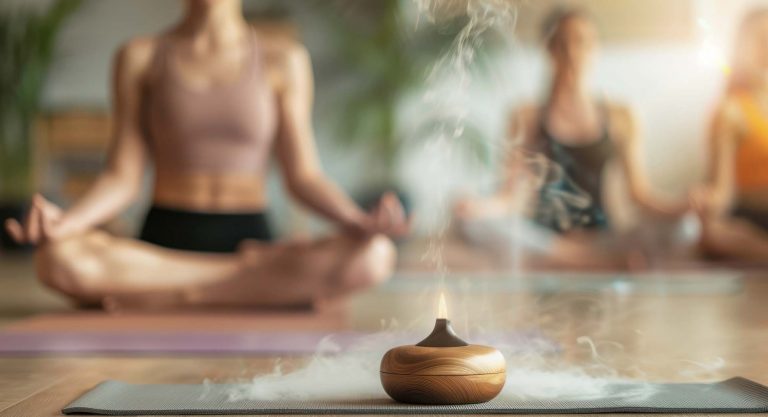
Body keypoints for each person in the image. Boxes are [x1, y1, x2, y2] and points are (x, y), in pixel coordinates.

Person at [4, 0, 408, 309]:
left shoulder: (285, 59)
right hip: (161, 249)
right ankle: (245, 292)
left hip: (253, 243)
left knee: (374, 256)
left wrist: (356, 220)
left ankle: (171, 295)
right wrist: (66, 224)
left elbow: (303, 176)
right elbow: (122, 177)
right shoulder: (140, 56)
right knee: (55, 259)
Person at [454, 8, 691, 268]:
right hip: (547, 240)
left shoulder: (621, 116)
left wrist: (683, 207)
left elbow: (640, 195)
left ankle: (575, 260)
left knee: (686, 227)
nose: (572, 52)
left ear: (595, 48)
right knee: (474, 223)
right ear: (549, 50)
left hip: (604, 238)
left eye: (582, 42)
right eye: (562, 43)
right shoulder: (526, 117)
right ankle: (585, 261)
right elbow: (510, 196)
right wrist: (478, 207)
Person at [695, 8, 768, 262]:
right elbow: (723, 191)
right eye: (760, 40)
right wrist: (707, 203)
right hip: (753, 219)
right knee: (717, 235)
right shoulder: (730, 111)